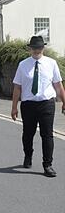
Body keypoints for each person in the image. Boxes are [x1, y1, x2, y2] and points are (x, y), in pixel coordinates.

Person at [11, 36, 65, 178]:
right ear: (30, 48)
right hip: (28, 104)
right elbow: (17, 87)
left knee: (47, 135)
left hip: (46, 103)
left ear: (43, 48)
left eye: (39, 47)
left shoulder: (51, 63)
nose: (37, 50)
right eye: (34, 48)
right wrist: (14, 107)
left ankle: (47, 164)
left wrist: (64, 102)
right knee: (28, 134)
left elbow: (58, 85)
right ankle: (28, 155)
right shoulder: (23, 65)